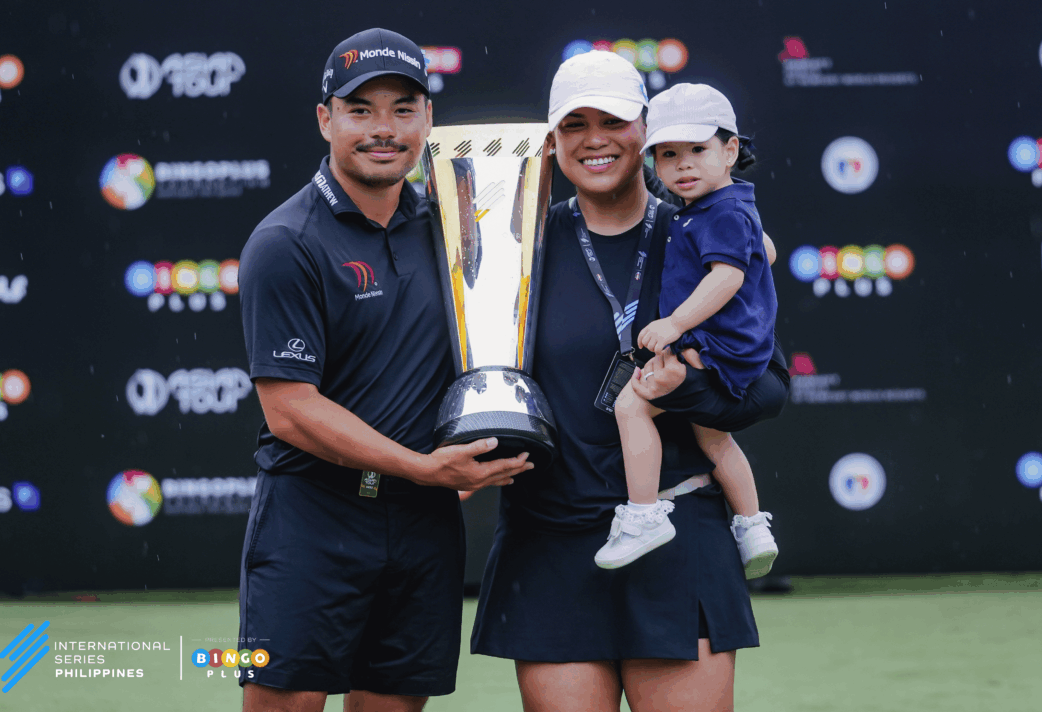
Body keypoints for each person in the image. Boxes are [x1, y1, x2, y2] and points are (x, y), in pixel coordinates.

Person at [471, 50, 789, 712]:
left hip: (678, 533)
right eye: (573, 125)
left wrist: (682, 389)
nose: (594, 140)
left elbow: (768, 388)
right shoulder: (514, 247)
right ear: (552, 141)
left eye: (612, 121)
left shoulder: (708, 231)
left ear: (646, 129)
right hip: (552, 540)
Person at [235, 28, 532, 712]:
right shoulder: (286, 242)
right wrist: (424, 468)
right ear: (325, 119)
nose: (384, 129)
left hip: (424, 526)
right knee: (286, 703)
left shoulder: (458, 229)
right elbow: (289, 409)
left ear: (428, 119)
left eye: (403, 108)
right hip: (314, 517)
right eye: (360, 109)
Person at [596, 83, 780, 577]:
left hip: (716, 345)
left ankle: (643, 516)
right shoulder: (728, 205)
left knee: (630, 404)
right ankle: (751, 524)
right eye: (668, 154)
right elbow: (767, 253)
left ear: (731, 149)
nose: (683, 165)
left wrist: (677, 323)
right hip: (733, 343)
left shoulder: (720, 211)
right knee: (712, 436)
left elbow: (728, 275)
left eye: (698, 149)